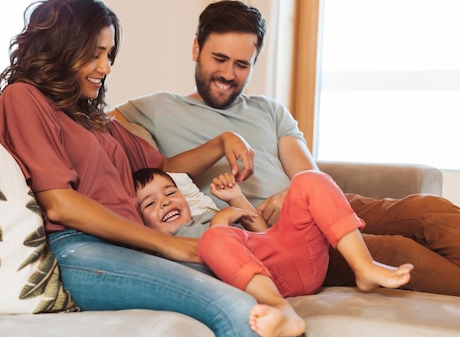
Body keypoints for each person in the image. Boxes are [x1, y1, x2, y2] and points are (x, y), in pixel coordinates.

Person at [0, 1, 335, 337]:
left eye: (109, 54)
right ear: (64, 48)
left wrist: (219, 143)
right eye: (96, 53)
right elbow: (59, 203)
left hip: (127, 251)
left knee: (266, 298)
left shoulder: (94, 118)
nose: (106, 66)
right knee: (237, 309)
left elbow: (161, 168)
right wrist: (167, 244)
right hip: (78, 252)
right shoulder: (23, 98)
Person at [114, 0, 460, 297]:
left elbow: (310, 174)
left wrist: (289, 196)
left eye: (242, 64)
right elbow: (148, 160)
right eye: (219, 59)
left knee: (427, 210)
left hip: (315, 204)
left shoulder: (269, 109)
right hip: (275, 237)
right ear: (196, 50)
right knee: (399, 250)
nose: (228, 74)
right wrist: (220, 143)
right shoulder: (156, 109)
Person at [133, 168, 413, 337]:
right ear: (140, 221)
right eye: (150, 203)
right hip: (267, 281)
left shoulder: (206, 213)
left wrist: (236, 201)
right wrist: (221, 223)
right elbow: (209, 260)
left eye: (170, 192)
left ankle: (363, 266)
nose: (165, 201)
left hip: (296, 258)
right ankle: (281, 310)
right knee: (214, 239)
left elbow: (262, 232)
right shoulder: (165, 245)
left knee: (309, 180)